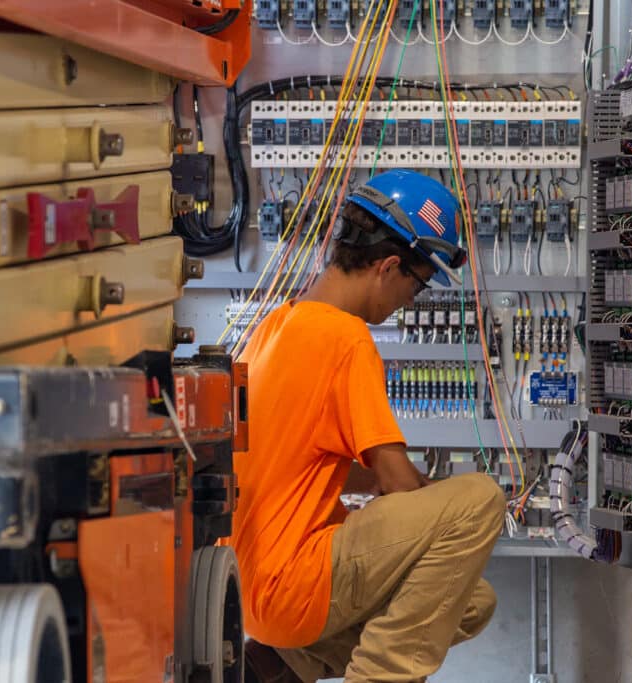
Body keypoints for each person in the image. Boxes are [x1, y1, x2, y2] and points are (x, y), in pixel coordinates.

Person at [228, 169, 506, 682]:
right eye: (418, 285)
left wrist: (409, 499)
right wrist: (433, 503)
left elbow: (320, 469)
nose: (411, 300)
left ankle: (280, 665)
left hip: (247, 594)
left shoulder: (276, 325)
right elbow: (397, 484)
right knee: (481, 500)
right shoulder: (345, 338)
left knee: (469, 600)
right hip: (292, 586)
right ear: (389, 266)